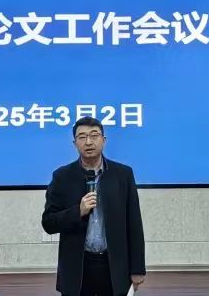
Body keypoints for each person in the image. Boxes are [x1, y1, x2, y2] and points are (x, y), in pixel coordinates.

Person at [42, 116, 146, 296]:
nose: (88, 142)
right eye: (82, 137)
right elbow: (48, 223)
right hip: (78, 268)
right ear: (74, 143)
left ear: (103, 140)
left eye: (94, 135)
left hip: (114, 267)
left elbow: (134, 223)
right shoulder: (62, 177)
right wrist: (78, 211)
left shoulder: (123, 174)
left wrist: (138, 268)